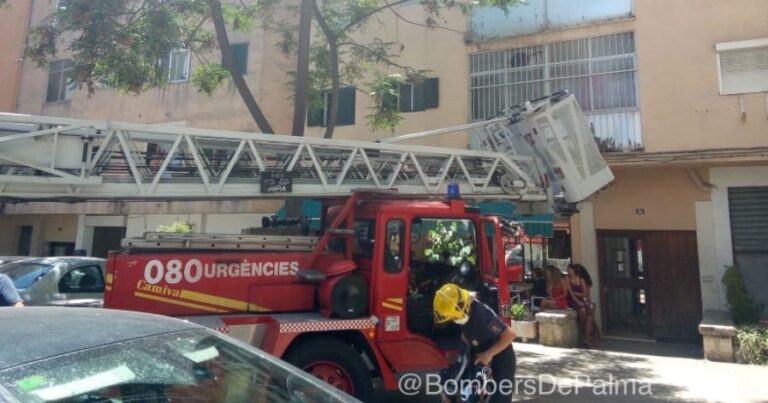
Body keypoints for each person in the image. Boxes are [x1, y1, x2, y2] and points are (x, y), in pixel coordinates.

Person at [433, 283, 516, 403]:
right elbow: (465, 337)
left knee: (498, 398)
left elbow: (509, 335)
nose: (453, 320)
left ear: (461, 308)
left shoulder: (482, 315)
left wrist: (488, 354)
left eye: (454, 317)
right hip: (481, 356)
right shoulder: (463, 312)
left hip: (501, 358)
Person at [567, 263, 595, 347]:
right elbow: (571, 293)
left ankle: (587, 340)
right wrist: (578, 300)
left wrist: (589, 305)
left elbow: (586, 294)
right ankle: (582, 328)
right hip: (573, 301)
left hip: (581, 300)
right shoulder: (568, 279)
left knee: (589, 318)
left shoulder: (582, 280)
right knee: (583, 310)